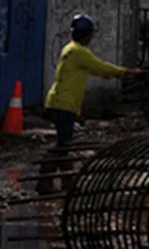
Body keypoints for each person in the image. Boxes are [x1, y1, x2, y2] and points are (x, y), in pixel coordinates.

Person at [37, 14, 135, 194]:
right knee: (63, 145)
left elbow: (94, 70)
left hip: (58, 102)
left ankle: (66, 183)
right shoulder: (80, 52)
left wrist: (116, 74)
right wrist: (125, 72)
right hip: (63, 104)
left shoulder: (70, 49)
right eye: (90, 35)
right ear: (86, 35)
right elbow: (100, 66)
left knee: (65, 143)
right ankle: (44, 182)